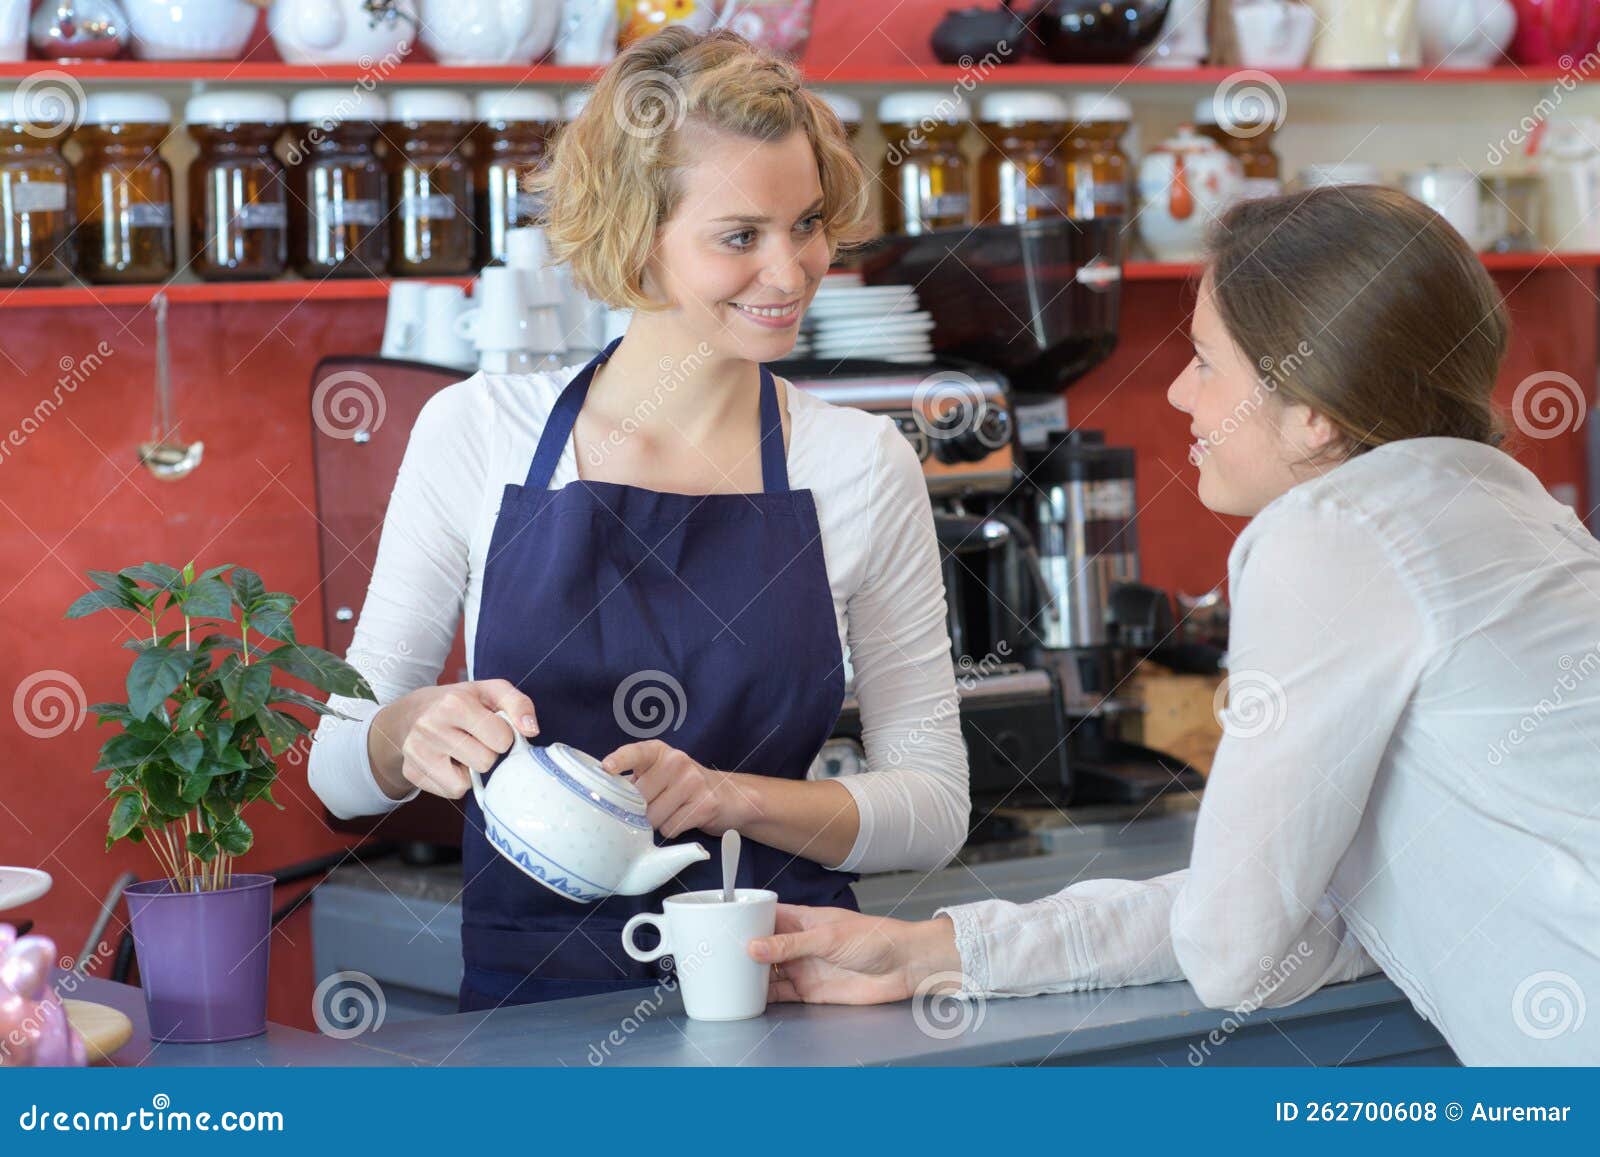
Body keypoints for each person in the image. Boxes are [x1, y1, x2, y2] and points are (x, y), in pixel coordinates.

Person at [748, 185, 1600, 1065]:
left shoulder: (1330, 534)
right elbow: (1287, 919)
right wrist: (930, 949)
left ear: (1312, 411)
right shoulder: (1515, 510)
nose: (1178, 391)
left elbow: (1235, 950)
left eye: (1204, 359)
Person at [307, 28, 969, 1010]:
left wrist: (728, 794)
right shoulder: (479, 429)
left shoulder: (863, 462)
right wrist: (405, 728)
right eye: (740, 236)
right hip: (532, 1008)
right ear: (636, 235)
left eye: (809, 223)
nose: (790, 271)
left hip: (788, 990)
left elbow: (933, 804)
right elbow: (335, 769)